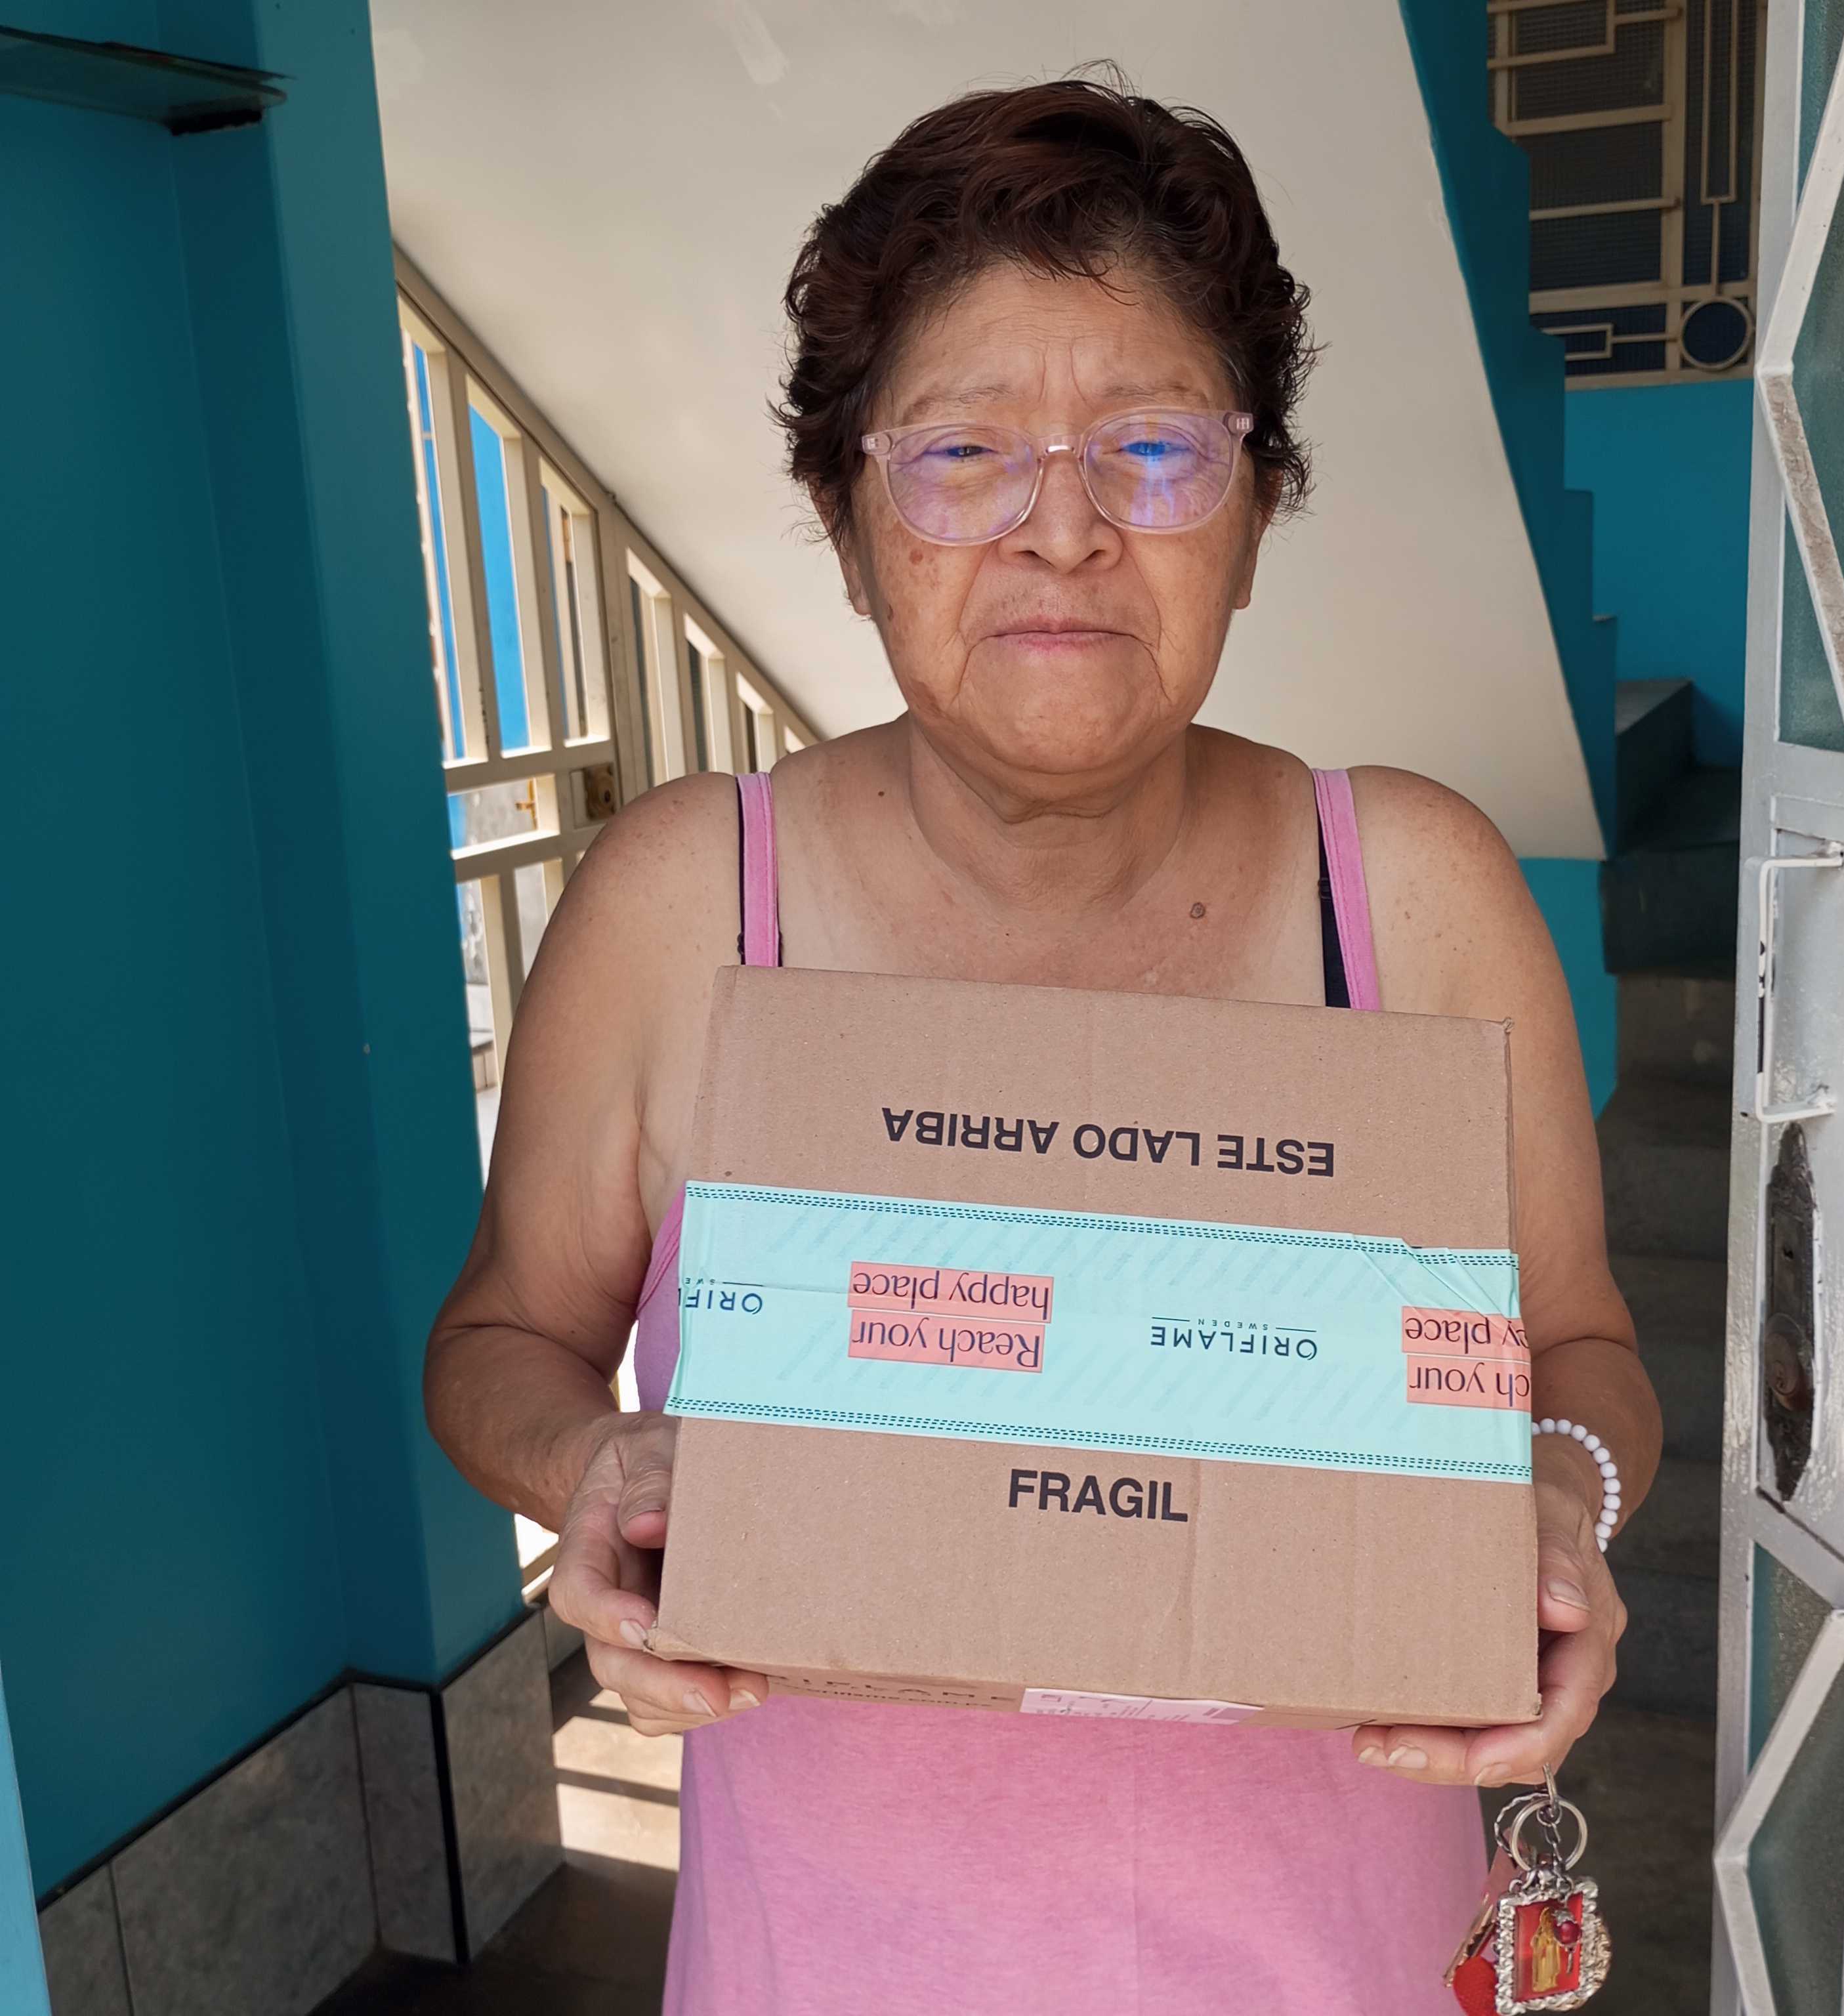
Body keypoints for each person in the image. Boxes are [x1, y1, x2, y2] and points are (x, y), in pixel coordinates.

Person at [425, 73, 1659, 2015]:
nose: (1064, 530)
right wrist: (590, 1465)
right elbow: (500, 1339)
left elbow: (1580, 1351)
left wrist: (1562, 1503)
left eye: (1155, 448)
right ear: (850, 529)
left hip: (1338, 1962)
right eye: (963, 454)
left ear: (1254, 516)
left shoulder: (1412, 899)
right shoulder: (686, 908)